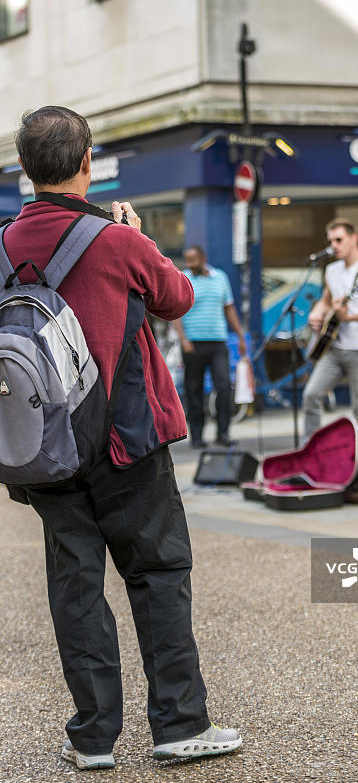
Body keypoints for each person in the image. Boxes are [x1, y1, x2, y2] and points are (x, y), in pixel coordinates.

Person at [6, 106, 241, 769]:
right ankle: (178, 725)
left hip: (42, 447)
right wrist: (144, 241)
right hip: (125, 438)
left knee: (75, 585)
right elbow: (177, 298)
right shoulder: (118, 241)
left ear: (25, 170)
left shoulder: (1, 245)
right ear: (87, 164)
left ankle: (92, 738)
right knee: (160, 572)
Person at [302, 218, 358, 440]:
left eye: (339, 240)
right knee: (311, 395)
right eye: (331, 240)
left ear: (353, 238)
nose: (334, 245)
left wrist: (347, 316)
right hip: (335, 347)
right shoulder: (331, 269)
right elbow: (326, 300)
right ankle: (308, 451)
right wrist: (317, 312)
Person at [173, 246, 246, 448]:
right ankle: (197, 436)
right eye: (187, 260)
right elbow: (176, 312)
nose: (190, 264)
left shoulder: (220, 278)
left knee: (223, 387)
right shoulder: (183, 279)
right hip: (192, 344)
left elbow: (229, 307)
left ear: (203, 258)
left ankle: (223, 433)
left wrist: (240, 336)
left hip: (218, 343)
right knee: (193, 389)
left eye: (194, 259)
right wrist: (183, 339)